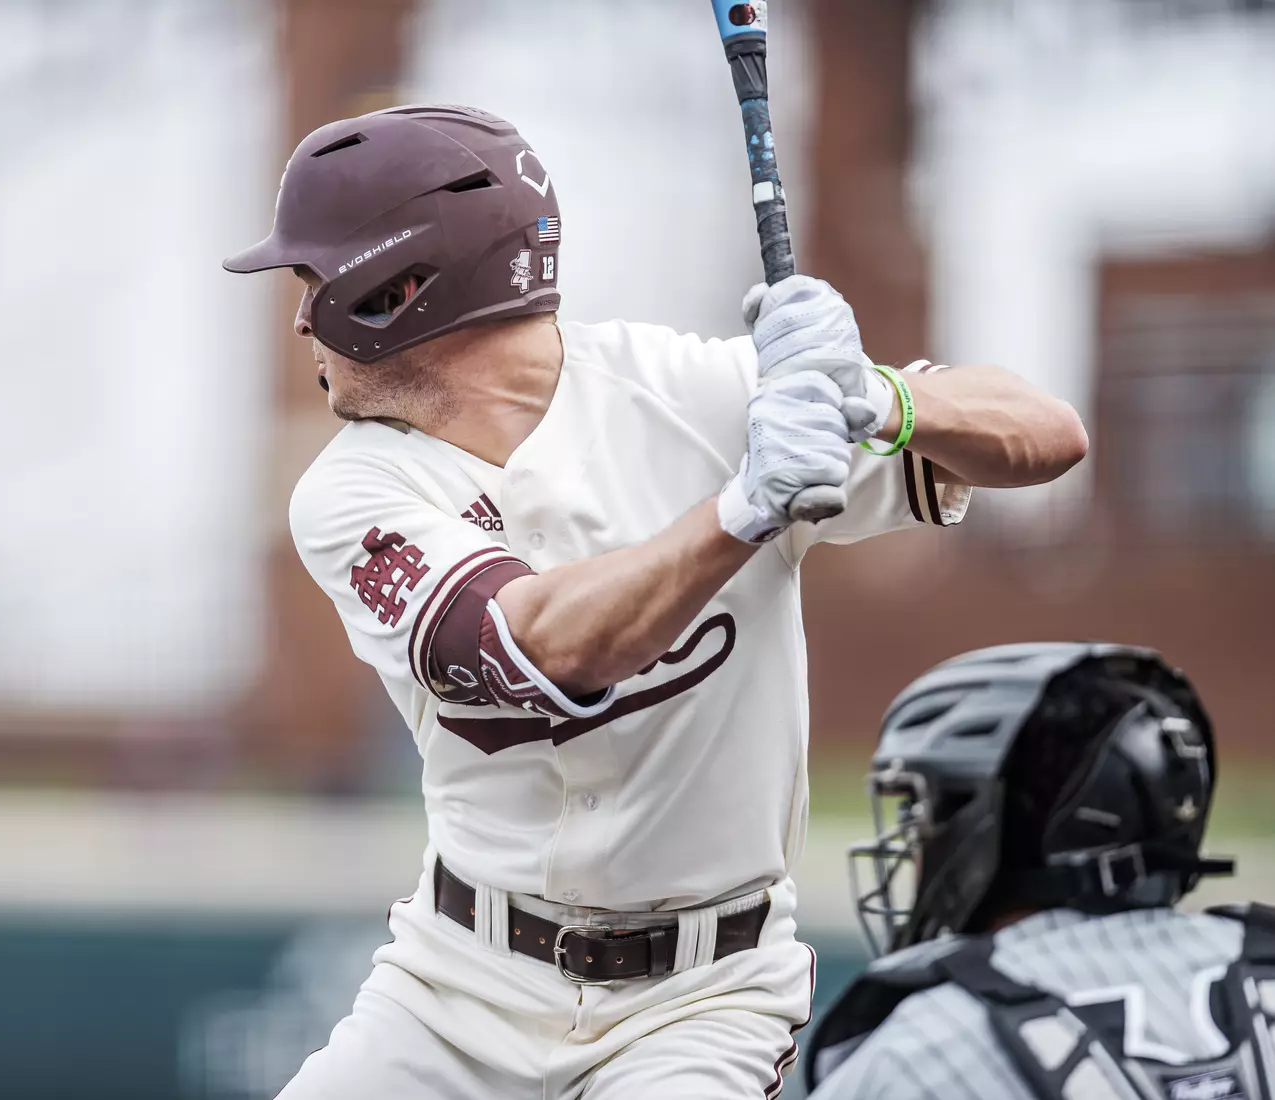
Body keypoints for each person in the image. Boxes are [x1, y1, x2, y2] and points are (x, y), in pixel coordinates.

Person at [223, 104, 1086, 1100]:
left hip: (699, 999)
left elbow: (1047, 434)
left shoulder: (693, 390)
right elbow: (545, 645)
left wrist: (880, 397)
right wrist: (741, 511)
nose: (299, 317)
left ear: (398, 287)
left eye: (313, 276)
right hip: (456, 986)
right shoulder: (351, 488)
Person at [807, 642, 1272, 1100]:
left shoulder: (920, 1050)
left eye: (917, 812)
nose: (911, 848)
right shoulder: (1262, 964)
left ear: (984, 824)